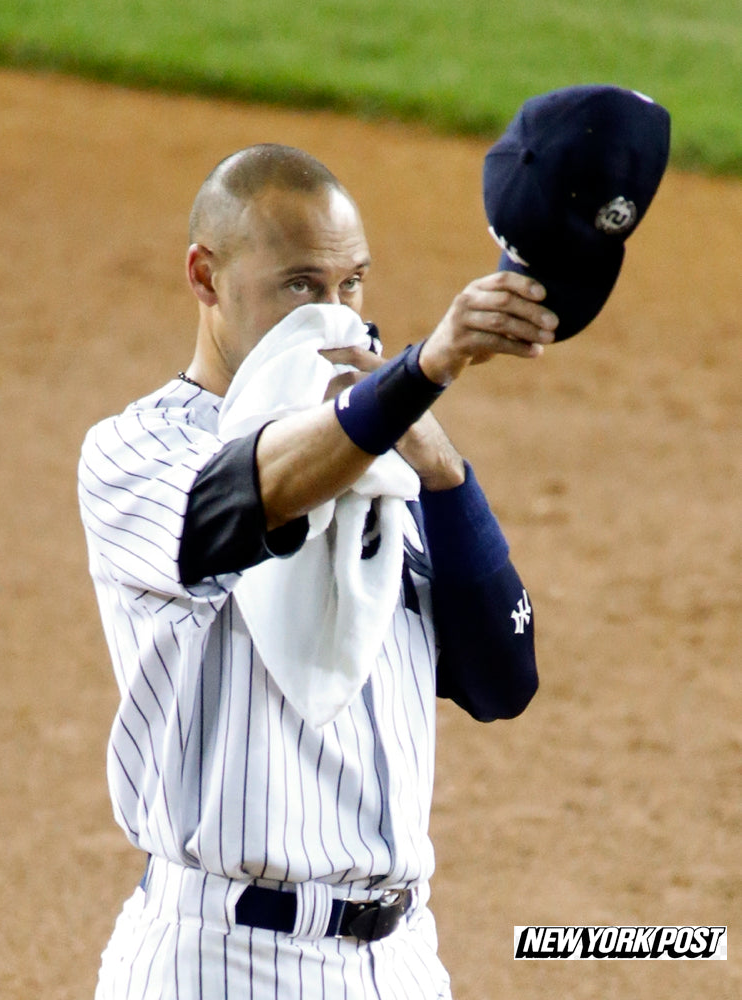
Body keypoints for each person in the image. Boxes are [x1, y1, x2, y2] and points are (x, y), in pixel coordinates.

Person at [78, 142, 559, 1000]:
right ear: (205, 276)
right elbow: (244, 496)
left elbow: (501, 680)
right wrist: (423, 372)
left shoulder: (391, 459)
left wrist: (445, 475)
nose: (334, 317)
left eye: (352, 286)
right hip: (225, 960)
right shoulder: (139, 453)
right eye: (300, 286)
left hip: (403, 957)